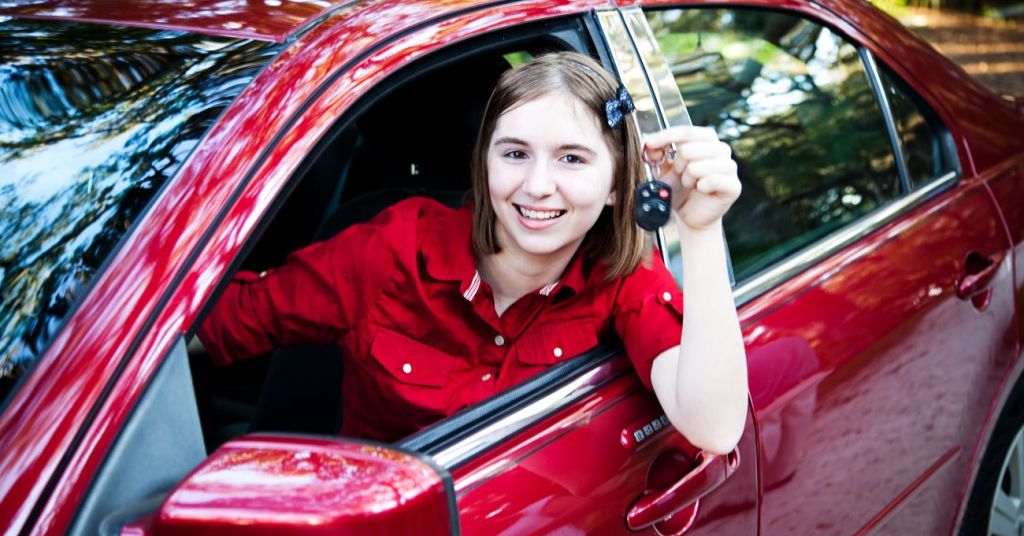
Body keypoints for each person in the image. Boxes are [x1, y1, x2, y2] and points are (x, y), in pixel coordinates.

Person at [197, 52, 747, 452]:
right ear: (484, 165)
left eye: (572, 159)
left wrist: (698, 230)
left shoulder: (624, 276)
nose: (536, 186)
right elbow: (212, 326)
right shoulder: (394, 247)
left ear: (613, 187)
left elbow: (715, 427)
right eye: (514, 153)